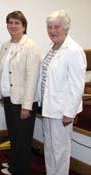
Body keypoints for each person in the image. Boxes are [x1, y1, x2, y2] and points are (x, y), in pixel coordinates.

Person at [41, 10, 86, 175]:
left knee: (60, 150)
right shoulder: (53, 47)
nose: (52, 30)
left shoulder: (73, 50)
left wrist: (70, 112)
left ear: (65, 28)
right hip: (48, 107)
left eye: (56, 27)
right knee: (50, 146)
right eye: (49, 27)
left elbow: (77, 85)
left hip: (62, 111)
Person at [0, 11, 41, 175]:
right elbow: (3, 72)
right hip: (9, 98)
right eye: (10, 23)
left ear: (24, 26)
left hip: (24, 101)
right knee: (14, 135)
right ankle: (15, 164)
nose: (13, 26)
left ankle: (20, 170)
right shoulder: (6, 45)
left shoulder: (31, 46)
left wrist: (26, 106)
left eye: (17, 23)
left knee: (23, 138)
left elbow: (32, 78)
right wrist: (1, 94)